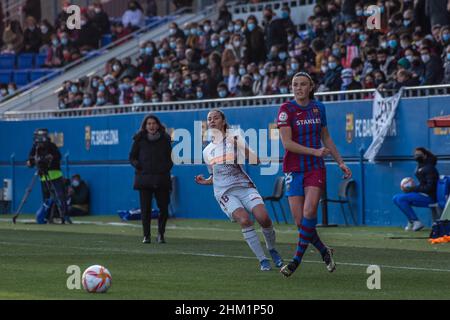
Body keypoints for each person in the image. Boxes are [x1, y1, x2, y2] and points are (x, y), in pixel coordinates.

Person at [277, 72, 352, 277]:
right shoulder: (286, 110)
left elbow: (326, 137)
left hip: (314, 167)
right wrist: (315, 151)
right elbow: (287, 144)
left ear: (311, 87)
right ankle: (323, 250)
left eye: (302, 84)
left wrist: (341, 162)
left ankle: (295, 261)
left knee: (310, 212)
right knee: (301, 222)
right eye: (295, 84)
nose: (298, 88)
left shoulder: (319, 108)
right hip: (294, 168)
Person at [194, 109, 284, 271]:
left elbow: (256, 161)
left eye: (216, 118)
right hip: (225, 193)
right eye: (209, 119)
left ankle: (272, 249)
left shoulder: (235, 138)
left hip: (244, 186)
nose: (212, 121)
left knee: (263, 218)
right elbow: (215, 176)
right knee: (244, 220)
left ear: (223, 120)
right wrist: (205, 181)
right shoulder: (207, 151)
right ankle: (263, 260)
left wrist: (239, 145)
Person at [129, 115, 173, 244]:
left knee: (163, 209)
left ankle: (161, 234)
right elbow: (132, 157)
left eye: (154, 123)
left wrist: (165, 168)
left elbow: (171, 158)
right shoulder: (139, 139)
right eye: (149, 124)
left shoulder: (165, 139)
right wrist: (138, 165)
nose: (152, 126)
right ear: (145, 126)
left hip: (161, 179)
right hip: (144, 179)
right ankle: (146, 235)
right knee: (145, 209)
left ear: (158, 125)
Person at [26, 128, 71, 224]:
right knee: (47, 199)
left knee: (60, 197)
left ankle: (64, 216)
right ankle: (48, 217)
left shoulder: (51, 146)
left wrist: (49, 159)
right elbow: (30, 159)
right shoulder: (35, 147)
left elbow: (57, 157)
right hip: (43, 175)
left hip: (55, 175)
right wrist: (32, 162)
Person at [393, 147, 439, 231]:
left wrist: (414, 188)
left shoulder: (429, 168)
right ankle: (412, 220)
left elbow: (430, 187)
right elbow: (423, 184)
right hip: (423, 194)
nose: (417, 156)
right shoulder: (421, 166)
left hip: (431, 197)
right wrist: (412, 187)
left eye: (419, 154)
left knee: (400, 199)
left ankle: (416, 222)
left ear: (425, 156)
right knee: (395, 198)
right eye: (415, 154)